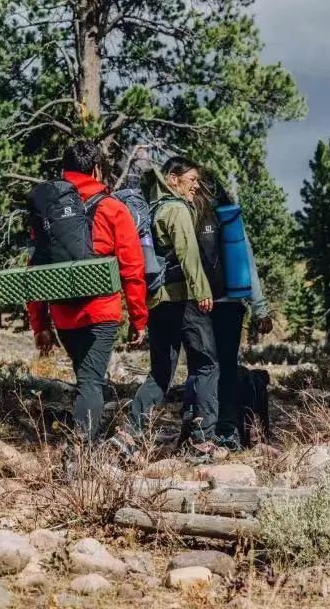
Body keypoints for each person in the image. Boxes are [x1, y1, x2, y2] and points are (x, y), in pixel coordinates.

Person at [29, 141, 148, 445]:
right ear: (96, 169)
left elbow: (37, 267)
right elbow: (132, 269)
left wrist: (40, 326)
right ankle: (83, 451)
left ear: (64, 172)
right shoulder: (112, 209)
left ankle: (85, 443)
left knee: (86, 380)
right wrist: (138, 318)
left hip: (63, 316)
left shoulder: (49, 212)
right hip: (101, 313)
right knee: (91, 383)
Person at [119, 157, 222, 461]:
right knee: (207, 363)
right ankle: (201, 441)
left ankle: (129, 434)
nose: (196, 186)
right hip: (182, 298)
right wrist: (202, 291)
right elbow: (188, 253)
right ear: (173, 179)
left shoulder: (151, 209)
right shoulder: (176, 209)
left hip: (156, 302)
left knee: (161, 373)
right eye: (192, 179)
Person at [195, 175, 274, 451]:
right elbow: (247, 263)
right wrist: (260, 308)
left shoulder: (190, 214)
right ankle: (228, 430)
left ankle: (199, 428)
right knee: (227, 367)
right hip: (231, 304)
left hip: (199, 302)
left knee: (201, 367)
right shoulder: (230, 217)